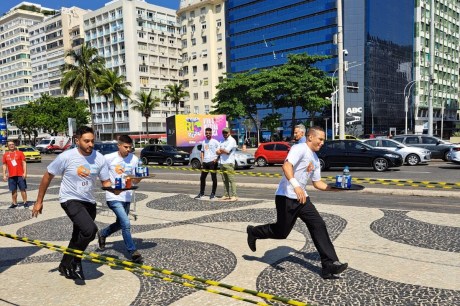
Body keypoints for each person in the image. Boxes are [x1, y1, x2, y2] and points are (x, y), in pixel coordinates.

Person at [246, 126, 348, 279]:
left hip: (302, 199)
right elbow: (286, 166)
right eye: (320, 139)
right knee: (281, 232)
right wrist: (296, 186)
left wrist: (335, 188)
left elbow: (317, 183)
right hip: (286, 196)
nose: (322, 143)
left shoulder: (315, 158)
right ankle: (254, 232)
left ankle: (329, 265)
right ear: (310, 137)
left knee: (318, 224)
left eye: (323, 141)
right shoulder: (299, 148)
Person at [32, 126, 112, 280]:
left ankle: (64, 264)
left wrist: (121, 188)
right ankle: (76, 260)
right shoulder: (66, 157)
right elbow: (47, 176)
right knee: (89, 230)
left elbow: (106, 182)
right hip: (70, 199)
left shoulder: (99, 158)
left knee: (78, 236)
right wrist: (39, 201)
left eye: (92, 141)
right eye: (86, 141)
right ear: (77, 141)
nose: (90, 144)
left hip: (89, 202)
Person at [97, 135, 144, 263]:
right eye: (126, 147)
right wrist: (106, 184)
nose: (128, 149)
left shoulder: (134, 159)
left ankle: (103, 233)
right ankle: (132, 251)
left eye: (130, 147)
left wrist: (140, 177)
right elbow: (100, 172)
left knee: (120, 223)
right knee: (126, 224)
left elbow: (135, 179)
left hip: (127, 196)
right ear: (119, 145)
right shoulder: (108, 158)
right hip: (113, 196)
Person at [195, 127, 219, 200]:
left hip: (212, 162)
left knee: (213, 178)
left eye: (209, 133)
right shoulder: (204, 142)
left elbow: (219, 151)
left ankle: (213, 194)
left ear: (211, 133)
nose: (208, 134)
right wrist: (202, 161)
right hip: (205, 162)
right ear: (205, 134)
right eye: (206, 133)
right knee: (202, 178)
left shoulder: (215, 142)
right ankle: (201, 193)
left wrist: (216, 159)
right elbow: (202, 151)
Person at [2, 140, 28, 208]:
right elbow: (4, 165)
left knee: (23, 189)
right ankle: (14, 203)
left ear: (14, 145)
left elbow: (24, 163)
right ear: (7, 146)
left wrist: (25, 173)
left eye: (12, 144)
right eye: (10, 144)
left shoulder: (20, 153)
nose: (11, 145)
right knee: (13, 190)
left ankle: (25, 202)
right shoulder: (5, 155)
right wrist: (4, 174)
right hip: (11, 176)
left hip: (20, 175)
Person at [216, 127, 237, 201]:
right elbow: (217, 151)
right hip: (222, 162)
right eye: (223, 133)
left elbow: (227, 151)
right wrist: (222, 150)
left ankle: (234, 195)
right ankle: (226, 194)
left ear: (229, 133)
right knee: (224, 180)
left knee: (231, 180)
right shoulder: (221, 140)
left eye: (226, 132)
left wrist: (221, 150)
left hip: (229, 162)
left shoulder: (232, 140)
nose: (225, 134)